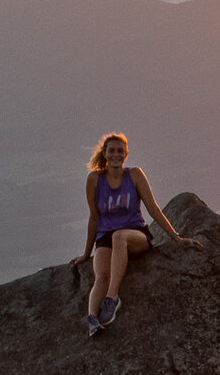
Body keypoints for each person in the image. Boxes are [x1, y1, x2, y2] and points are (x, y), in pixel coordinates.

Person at [79, 130, 184, 330]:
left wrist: (175, 236)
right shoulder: (94, 180)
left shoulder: (134, 175)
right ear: (105, 153)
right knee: (101, 275)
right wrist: (86, 253)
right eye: (112, 151)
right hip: (105, 237)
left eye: (120, 151)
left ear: (126, 154)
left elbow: (152, 208)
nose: (116, 154)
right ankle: (92, 318)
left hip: (135, 235)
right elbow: (94, 217)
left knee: (120, 236)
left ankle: (112, 298)